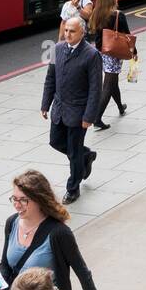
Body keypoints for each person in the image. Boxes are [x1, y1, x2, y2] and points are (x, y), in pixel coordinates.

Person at [41, 16, 101, 203]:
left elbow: (95, 89)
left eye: (72, 31)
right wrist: (45, 104)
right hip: (59, 109)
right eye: (66, 30)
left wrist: (89, 116)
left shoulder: (91, 55)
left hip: (78, 112)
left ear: (82, 33)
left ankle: (73, 188)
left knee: (73, 152)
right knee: (55, 141)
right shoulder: (57, 49)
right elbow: (51, 78)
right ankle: (86, 155)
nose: (67, 34)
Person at [88, 0, 134, 130]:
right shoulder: (118, 15)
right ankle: (97, 118)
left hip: (100, 53)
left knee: (112, 82)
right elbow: (127, 35)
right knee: (108, 86)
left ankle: (120, 106)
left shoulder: (96, 13)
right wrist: (134, 51)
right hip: (113, 54)